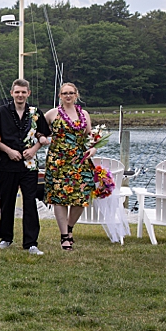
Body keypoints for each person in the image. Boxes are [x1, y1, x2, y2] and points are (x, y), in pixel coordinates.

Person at [0, 78, 51, 255]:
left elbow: (43, 135)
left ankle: (31, 242)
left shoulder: (35, 113)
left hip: (29, 165)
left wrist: (34, 149)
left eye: (23, 92)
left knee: (30, 203)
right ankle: (6, 238)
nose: (20, 95)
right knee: (7, 202)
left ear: (28, 93)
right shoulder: (0, 113)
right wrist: (8, 151)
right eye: (17, 92)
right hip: (7, 163)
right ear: (12, 93)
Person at [44, 82, 97, 251]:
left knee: (81, 196)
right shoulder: (52, 114)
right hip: (58, 161)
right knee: (59, 197)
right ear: (60, 96)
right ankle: (64, 235)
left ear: (76, 95)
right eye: (65, 93)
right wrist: (41, 139)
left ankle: (70, 226)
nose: (68, 96)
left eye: (71, 93)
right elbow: (39, 131)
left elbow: (91, 137)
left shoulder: (84, 114)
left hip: (79, 160)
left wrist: (93, 149)